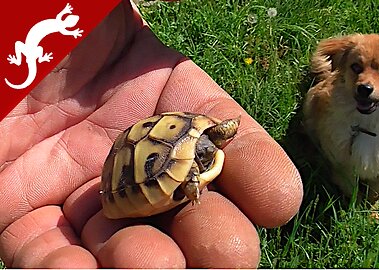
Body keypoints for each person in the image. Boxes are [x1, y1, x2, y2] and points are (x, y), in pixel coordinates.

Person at [0, 0, 302, 268]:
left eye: (209, 145)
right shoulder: (190, 172)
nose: (209, 149)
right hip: (123, 178)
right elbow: (184, 171)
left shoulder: (204, 138)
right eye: (205, 149)